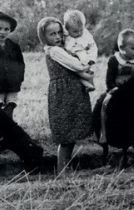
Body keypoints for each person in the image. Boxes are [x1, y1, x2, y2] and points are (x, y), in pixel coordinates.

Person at [37, 16, 93, 173]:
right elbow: (76, 65)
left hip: (72, 91)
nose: (57, 37)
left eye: (59, 33)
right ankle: (62, 169)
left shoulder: (62, 47)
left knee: (71, 132)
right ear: (44, 37)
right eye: (52, 34)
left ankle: (65, 167)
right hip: (64, 94)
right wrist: (85, 64)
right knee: (66, 135)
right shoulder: (54, 51)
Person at [63, 9, 98, 92]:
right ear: (67, 29)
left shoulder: (86, 35)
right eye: (75, 31)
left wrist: (92, 59)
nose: (79, 33)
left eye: (81, 30)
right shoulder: (66, 35)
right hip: (71, 57)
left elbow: (93, 47)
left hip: (84, 56)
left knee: (88, 71)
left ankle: (90, 84)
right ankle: (86, 84)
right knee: (75, 73)